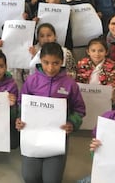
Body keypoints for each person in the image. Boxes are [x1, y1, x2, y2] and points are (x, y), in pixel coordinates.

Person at [16, 42, 86, 183]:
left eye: (55, 63)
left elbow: (79, 110)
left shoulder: (70, 84)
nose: (50, 67)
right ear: (40, 60)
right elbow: (20, 104)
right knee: (30, 178)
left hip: (57, 137)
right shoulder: (31, 81)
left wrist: (72, 123)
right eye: (46, 62)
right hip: (32, 136)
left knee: (51, 180)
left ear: (62, 62)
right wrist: (19, 119)